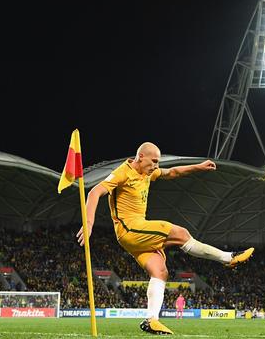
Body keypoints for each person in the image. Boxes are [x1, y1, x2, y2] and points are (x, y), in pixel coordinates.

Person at [77, 142, 254, 335]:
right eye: (153, 161)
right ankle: (228, 258)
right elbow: (94, 192)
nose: (155, 165)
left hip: (137, 235)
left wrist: (199, 167)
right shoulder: (123, 172)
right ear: (141, 157)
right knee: (181, 234)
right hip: (130, 229)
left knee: (160, 271)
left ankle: (151, 320)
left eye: (157, 162)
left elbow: (172, 173)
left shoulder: (147, 172)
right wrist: (88, 224)